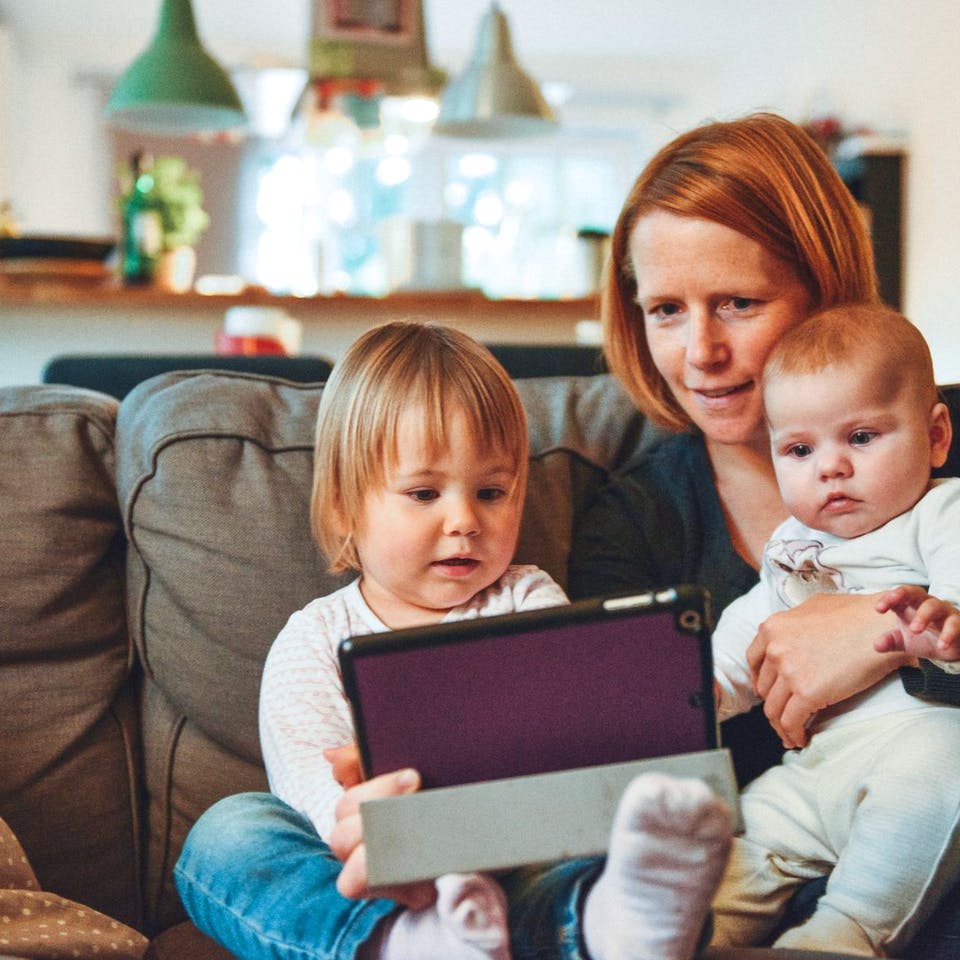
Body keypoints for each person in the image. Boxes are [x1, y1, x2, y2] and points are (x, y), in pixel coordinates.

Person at [174, 319, 734, 960]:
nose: (465, 520)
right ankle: (408, 943)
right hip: (382, 883)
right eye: (423, 493)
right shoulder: (313, 640)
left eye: (492, 492)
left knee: (624, 846)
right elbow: (316, 803)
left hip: (521, 865)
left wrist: (655, 704)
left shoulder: (528, 599)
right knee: (227, 834)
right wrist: (394, 840)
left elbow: (575, 743)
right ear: (342, 508)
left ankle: (613, 927)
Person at [567, 111, 960, 958]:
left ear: (825, 290)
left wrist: (880, 633)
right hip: (762, 858)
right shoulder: (632, 525)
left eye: (738, 303)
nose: (701, 350)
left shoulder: (942, 448)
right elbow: (634, 767)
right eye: (666, 310)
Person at [706, 303, 960, 955]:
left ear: (936, 437)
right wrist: (705, 688)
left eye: (862, 438)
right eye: (799, 449)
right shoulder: (794, 544)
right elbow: (753, 627)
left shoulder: (939, 513)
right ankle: (698, 932)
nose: (830, 467)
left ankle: (843, 933)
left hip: (914, 741)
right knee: (746, 832)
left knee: (937, 776)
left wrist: (946, 619)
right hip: (814, 765)